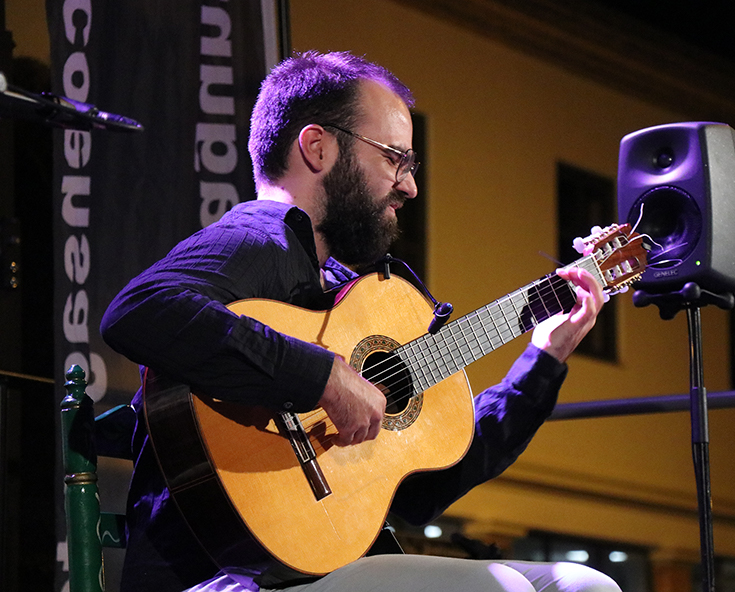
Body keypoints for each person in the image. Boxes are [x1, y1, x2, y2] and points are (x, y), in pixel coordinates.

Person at [100, 51, 620, 592]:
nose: (409, 186)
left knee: (583, 586)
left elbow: (427, 487)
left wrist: (545, 356)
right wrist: (326, 377)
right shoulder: (261, 235)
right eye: (396, 157)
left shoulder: (356, 289)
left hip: (328, 569)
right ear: (318, 148)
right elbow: (141, 310)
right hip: (232, 576)